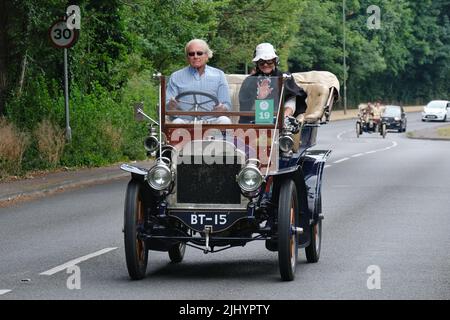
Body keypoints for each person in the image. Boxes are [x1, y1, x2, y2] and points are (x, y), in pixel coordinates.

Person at [166, 39, 232, 124]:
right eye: (191, 54)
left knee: (225, 120)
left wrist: (223, 108)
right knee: (176, 122)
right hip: (185, 121)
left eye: (199, 53)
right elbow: (167, 105)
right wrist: (170, 105)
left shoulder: (219, 75)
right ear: (187, 57)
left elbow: (227, 105)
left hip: (211, 121)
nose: (195, 56)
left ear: (207, 55)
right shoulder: (175, 76)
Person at [238, 43, 307, 124]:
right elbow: (244, 108)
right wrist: (260, 98)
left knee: (291, 97)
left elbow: (294, 98)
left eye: (269, 61)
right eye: (261, 62)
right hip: (255, 121)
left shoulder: (285, 77)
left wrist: (285, 115)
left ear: (275, 61)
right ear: (257, 63)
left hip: (280, 119)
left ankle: (285, 119)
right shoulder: (249, 81)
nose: (265, 65)